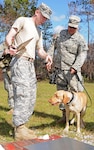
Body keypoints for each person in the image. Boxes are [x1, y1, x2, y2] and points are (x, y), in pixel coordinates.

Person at [5, 3, 52, 140]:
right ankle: (19, 129)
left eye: (46, 19)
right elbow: (9, 36)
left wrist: (47, 56)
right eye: (43, 17)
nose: (44, 20)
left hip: (31, 64)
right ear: (37, 12)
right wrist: (11, 46)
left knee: (31, 95)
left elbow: (40, 51)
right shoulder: (23, 20)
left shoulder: (39, 31)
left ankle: (23, 125)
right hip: (20, 61)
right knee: (23, 93)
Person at [48, 15, 88, 123]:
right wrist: (49, 59)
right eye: (70, 27)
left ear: (77, 27)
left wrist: (76, 66)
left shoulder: (80, 39)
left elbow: (83, 53)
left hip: (72, 71)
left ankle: (80, 119)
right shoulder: (60, 35)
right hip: (60, 70)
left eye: (74, 28)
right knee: (61, 95)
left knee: (76, 94)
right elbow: (52, 47)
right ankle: (64, 116)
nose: (71, 29)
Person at [0, 42, 14, 114]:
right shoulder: (3, 45)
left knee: (20, 88)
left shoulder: (18, 43)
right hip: (6, 69)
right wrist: (3, 53)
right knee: (8, 88)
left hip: (17, 68)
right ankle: (12, 107)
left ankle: (24, 108)